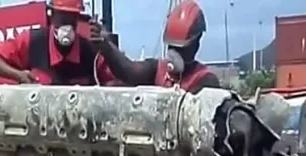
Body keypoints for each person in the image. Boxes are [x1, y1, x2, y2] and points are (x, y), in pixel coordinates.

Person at [89, 0, 220, 94]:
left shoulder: (205, 81)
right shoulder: (158, 70)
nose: (174, 54)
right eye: (171, 47)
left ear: (196, 44)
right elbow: (129, 71)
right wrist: (107, 48)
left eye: (181, 49)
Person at [0, 0, 117, 85]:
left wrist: (108, 48)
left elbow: (115, 82)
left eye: (71, 20)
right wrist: (18, 75)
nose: (67, 26)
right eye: (62, 19)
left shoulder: (90, 52)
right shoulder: (32, 42)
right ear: (51, 16)